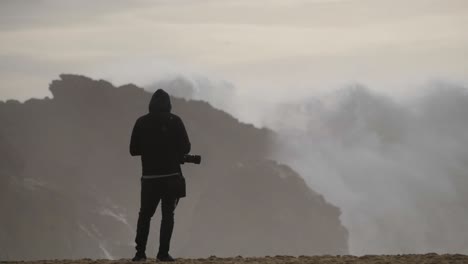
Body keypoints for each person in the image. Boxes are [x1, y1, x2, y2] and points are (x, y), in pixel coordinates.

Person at [130, 89, 191, 262]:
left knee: (145, 215)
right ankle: (163, 254)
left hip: (149, 179)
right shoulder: (175, 120)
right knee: (167, 216)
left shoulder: (141, 122)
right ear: (168, 104)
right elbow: (186, 148)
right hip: (171, 177)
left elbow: (133, 150)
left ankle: (140, 253)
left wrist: (150, 149)